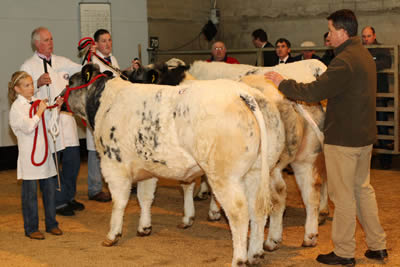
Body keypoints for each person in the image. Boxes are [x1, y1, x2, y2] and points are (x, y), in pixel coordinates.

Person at [265, 9, 388, 266]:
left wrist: (282, 83)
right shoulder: (363, 55)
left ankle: (344, 252)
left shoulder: (344, 61)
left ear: (343, 32)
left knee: (342, 197)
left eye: (331, 31)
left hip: (344, 140)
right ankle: (377, 246)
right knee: (363, 190)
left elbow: (314, 91)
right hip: (363, 138)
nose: (328, 36)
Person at [21, 27, 84, 216]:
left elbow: (82, 69)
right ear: (37, 43)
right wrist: (37, 83)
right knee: (53, 166)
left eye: (51, 39)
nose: (51, 43)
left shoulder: (61, 61)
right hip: (47, 123)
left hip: (66, 119)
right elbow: (23, 95)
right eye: (46, 40)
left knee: (73, 161)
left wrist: (93, 59)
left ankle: (68, 196)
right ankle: (57, 202)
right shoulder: (28, 66)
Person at [8, 71, 63, 239]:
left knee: (49, 192)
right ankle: (31, 228)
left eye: (32, 84)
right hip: (29, 157)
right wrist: (40, 112)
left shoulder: (37, 103)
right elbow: (28, 127)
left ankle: (51, 224)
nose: (31, 88)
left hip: (44, 154)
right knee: (30, 195)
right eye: (27, 85)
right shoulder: (17, 108)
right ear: (17, 89)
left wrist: (56, 110)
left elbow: (50, 126)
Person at [84, 29, 120, 202]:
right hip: (98, 110)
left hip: (113, 110)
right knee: (95, 150)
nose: (107, 44)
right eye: (103, 41)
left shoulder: (112, 59)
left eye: (109, 40)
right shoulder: (92, 61)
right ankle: (94, 188)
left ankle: (115, 184)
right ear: (96, 44)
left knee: (111, 149)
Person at [362, 26, 393, 169]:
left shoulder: (383, 49)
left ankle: (386, 161)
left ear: (374, 36)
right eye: (364, 36)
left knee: (382, 126)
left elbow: (386, 63)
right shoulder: (360, 50)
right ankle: (369, 159)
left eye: (368, 36)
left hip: (379, 94)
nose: (366, 39)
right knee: (366, 127)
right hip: (364, 95)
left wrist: (367, 64)